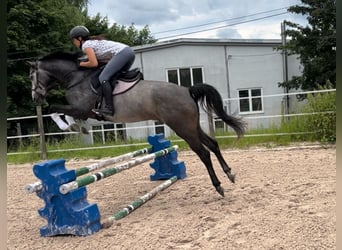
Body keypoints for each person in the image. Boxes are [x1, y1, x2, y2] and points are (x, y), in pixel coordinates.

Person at [69, 25, 135, 116]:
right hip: (129, 53)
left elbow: (93, 63)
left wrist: (79, 64)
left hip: (123, 53)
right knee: (113, 78)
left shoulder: (86, 45)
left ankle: (109, 108)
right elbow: (100, 61)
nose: (74, 43)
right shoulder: (92, 43)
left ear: (80, 38)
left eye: (74, 40)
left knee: (103, 78)